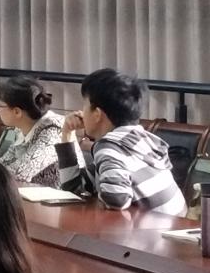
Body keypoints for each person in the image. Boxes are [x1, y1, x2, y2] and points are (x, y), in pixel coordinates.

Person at [54, 68, 185, 213]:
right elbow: (74, 188)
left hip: (156, 227)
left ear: (97, 114)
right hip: (176, 222)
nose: (81, 112)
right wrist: (67, 133)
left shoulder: (109, 148)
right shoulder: (140, 139)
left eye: (85, 105)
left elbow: (117, 199)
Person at [0, 74, 65, 185]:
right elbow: (3, 165)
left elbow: (20, 173)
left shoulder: (54, 130)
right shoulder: (23, 128)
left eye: (0, 105)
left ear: (17, 112)